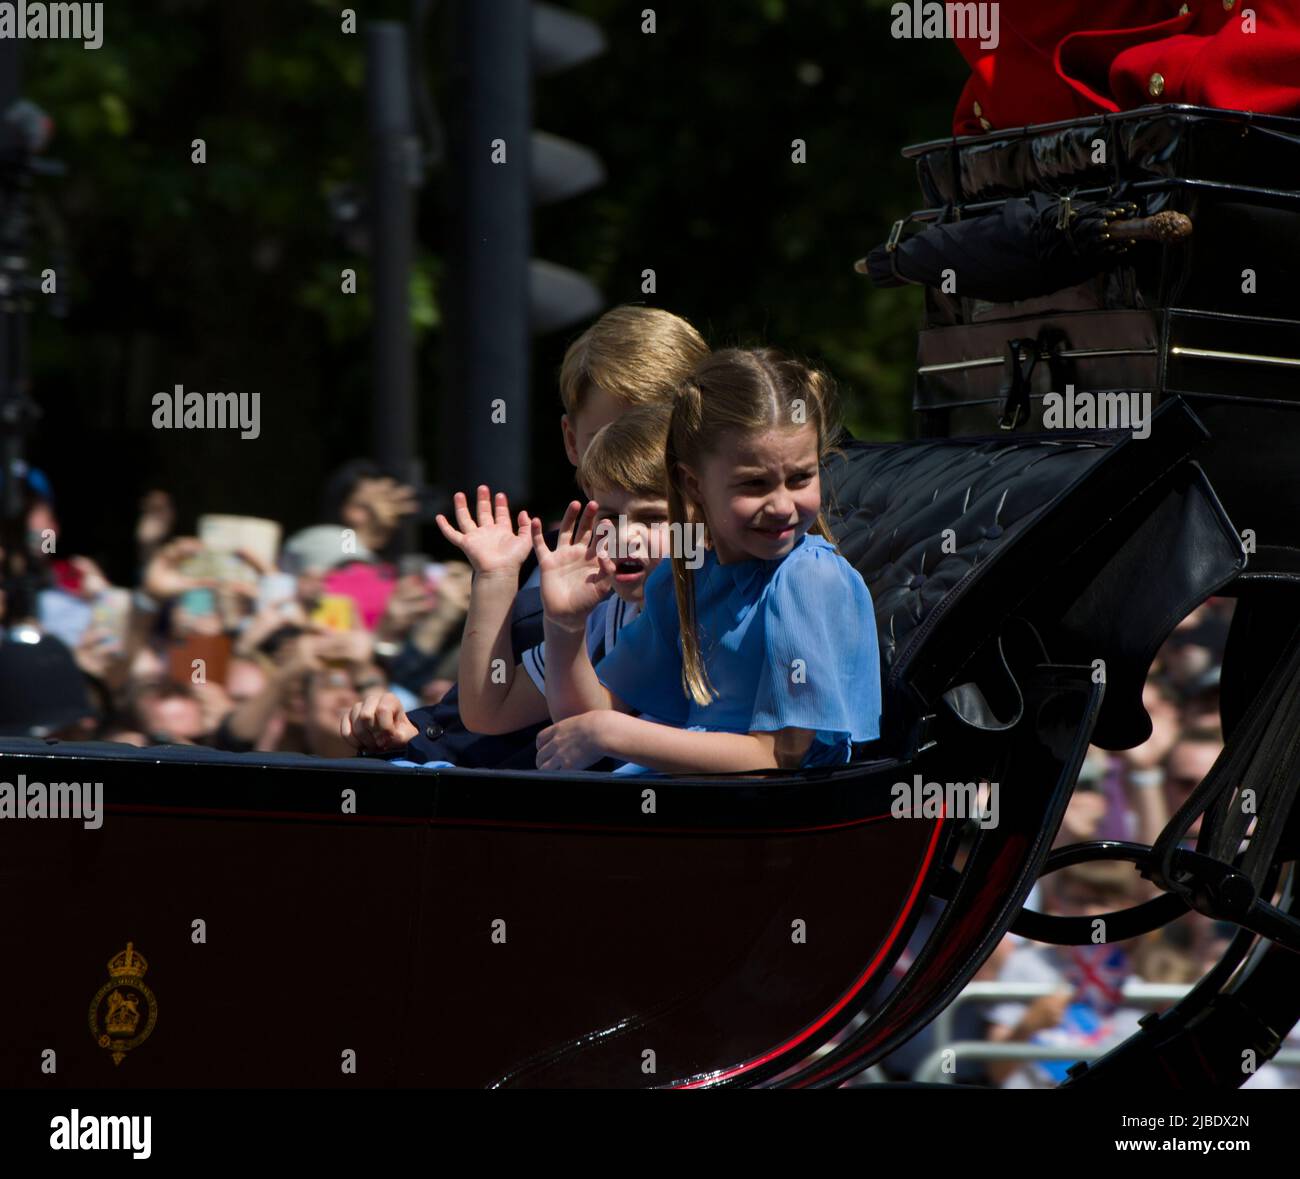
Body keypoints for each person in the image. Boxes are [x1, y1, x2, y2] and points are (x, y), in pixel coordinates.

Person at [343, 305, 709, 766]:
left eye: (657, 436)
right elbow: (488, 713)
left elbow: (774, 753)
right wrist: (497, 579)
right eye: (608, 439)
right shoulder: (609, 599)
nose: (625, 462)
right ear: (573, 442)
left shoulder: (721, 581)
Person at [531, 347, 881, 774]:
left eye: (800, 478)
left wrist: (612, 733)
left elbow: (781, 755)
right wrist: (565, 625)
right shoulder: (686, 577)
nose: (782, 506)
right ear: (692, 483)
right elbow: (584, 722)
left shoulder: (807, 578)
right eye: (754, 484)